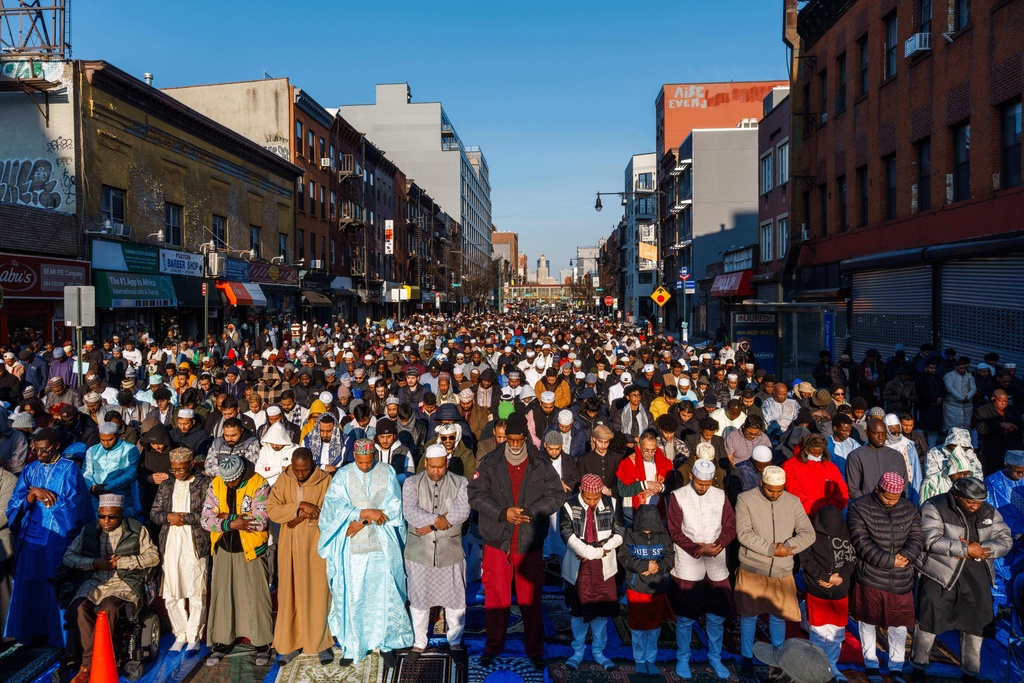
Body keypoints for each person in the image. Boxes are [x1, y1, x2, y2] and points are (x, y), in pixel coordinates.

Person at [467, 412, 563, 671]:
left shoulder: (540, 464)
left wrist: (531, 512)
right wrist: (502, 512)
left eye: (519, 439)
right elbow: (475, 495)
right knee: (496, 597)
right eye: (510, 439)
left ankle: (534, 649)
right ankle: (493, 645)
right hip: (497, 540)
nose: (515, 444)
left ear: (526, 437)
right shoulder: (490, 462)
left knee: (530, 598)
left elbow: (556, 495)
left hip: (529, 541)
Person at [318, 438, 413, 667]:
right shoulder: (343, 475)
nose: (364, 466)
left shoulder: (387, 471)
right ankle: (352, 644)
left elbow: (393, 509)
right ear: (354, 458)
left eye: (369, 462)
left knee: (385, 593)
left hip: (381, 545)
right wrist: (363, 512)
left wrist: (363, 520)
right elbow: (332, 508)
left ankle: (387, 644)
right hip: (352, 548)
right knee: (354, 595)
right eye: (360, 462)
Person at [910, 477, 1012, 683]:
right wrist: (965, 549)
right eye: (970, 501)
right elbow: (930, 539)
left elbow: (1005, 539)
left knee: (976, 624)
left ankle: (971, 672)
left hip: (977, 575)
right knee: (929, 620)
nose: (976, 506)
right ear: (956, 495)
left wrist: (982, 550)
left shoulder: (988, 511)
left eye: (979, 501)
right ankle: (918, 667)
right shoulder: (934, 506)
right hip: (941, 575)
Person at [4, 428, 93, 647]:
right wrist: (33, 495)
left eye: (44, 449)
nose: (39, 453)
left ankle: (56, 635)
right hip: (31, 538)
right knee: (28, 584)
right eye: (36, 448)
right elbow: (14, 504)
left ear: (55, 447)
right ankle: (28, 631)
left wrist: (49, 505)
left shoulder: (69, 470)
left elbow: (75, 508)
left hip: (57, 539)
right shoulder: (31, 469)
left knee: (53, 586)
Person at [62, 493, 159, 683]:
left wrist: (122, 563)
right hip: (95, 579)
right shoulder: (89, 530)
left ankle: (89, 666)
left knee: (108, 610)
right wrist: (93, 563)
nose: (106, 521)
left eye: (111, 517)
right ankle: (92, 662)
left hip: (124, 580)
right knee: (78, 608)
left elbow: (153, 557)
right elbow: (68, 556)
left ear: (121, 513)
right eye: (102, 516)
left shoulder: (136, 529)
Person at [735, 465, 815, 681]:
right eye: (771, 490)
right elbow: (743, 534)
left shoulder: (792, 501)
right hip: (753, 568)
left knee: (778, 617)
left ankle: (779, 660)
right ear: (761, 484)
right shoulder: (745, 500)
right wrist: (772, 549)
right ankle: (747, 659)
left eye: (779, 490)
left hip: (782, 569)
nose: (776, 494)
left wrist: (787, 547)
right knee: (749, 616)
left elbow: (808, 533)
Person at [847, 473, 923, 682]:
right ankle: (871, 664)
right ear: (878, 490)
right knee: (867, 622)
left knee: (898, 625)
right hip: (871, 576)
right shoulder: (859, 507)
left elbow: (917, 537)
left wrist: (906, 557)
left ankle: (896, 666)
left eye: (896, 498)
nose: (892, 502)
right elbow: (860, 542)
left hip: (901, 577)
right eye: (888, 497)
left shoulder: (908, 508)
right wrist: (889, 561)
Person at [200, 454, 274, 667]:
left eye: (231, 480)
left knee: (256, 597)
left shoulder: (259, 484)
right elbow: (205, 519)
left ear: (241, 474)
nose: (228, 484)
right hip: (223, 548)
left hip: (251, 549)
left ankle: (262, 644)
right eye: (225, 480)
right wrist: (231, 521)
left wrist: (223, 515)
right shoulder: (217, 483)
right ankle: (223, 642)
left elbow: (259, 521)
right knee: (224, 596)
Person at [667, 457, 735, 680]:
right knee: (686, 617)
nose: (703, 488)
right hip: (689, 562)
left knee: (716, 615)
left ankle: (715, 657)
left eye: (707, 484)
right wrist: (697, 549)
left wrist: (718, 546)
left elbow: (730, 527)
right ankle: (683, 657)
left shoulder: (720, 495)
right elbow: (675, 531)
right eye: (699, 484)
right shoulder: (678, 496)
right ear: (691, 477)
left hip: (715, 561)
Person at [402, 443, 471, 663]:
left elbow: (462, 511)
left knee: (455, 600)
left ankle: (454, 641)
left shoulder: (461, 483)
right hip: (419, 553)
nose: (436, 471)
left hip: (449, 551)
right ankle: (420, 642)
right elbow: (410, 512)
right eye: (432, 467)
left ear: (446, 464)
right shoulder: (412, 483)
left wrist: (431, 526)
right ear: (425, 464)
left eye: (440, 467)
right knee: (419, 600)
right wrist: (437, 519)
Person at [266, 447, 334, 666]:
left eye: (304, 470)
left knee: (317, 591)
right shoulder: (283, 480)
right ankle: (290, 643)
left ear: (312, 464)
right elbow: (273, 510)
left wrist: (307, 514)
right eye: (296, 470)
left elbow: (333, 510)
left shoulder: (325, 481)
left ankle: (320, 643)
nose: (300, 474)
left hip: (316, 545)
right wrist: (299, 508)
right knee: (290, 593)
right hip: (289, 547)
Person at [559, 473, 624, 671]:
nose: (593, 502)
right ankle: (578, 651)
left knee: (601, 612)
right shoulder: (569, 506)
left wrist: (596, 552)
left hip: (604, 566)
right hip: (579, 567)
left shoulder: (611, 503)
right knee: (578, 612)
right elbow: (566, 534)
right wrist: (589, 551)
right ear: (581, 490)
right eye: (588, 498)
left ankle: (598, 651)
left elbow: (620, 532)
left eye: (596, 498)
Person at [149, 447, 210, 653]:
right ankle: (180, 633)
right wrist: (168, 517)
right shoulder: (166, 485)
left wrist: (184, 518)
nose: (177, 473)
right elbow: (155, 513)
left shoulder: (204, 484)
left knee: (195, 590)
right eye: (174, 469)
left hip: (195, 542)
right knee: (172, 591)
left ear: (191, 465)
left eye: (181, 469)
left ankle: (194, 635)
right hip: (170, 542)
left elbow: (208, 515)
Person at [800, 505, 855, 682]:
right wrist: (824, 577)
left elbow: (851, 559)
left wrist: (840, 578)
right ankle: (816, 666)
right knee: (817, 630)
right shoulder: (810, 537)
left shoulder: (845, 534)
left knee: (837, 632)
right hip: (818, 590)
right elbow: (806, 559)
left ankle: (831, 665)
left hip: (839, 591)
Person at [618, 503, 674, 677]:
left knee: (655, 626)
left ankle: (651, 659)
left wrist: (659, 566)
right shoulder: (630, 535)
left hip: (657, 588)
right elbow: (624, 557)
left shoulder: (664, 535)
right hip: (637, 588)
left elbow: (670, 557)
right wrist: (643, 565)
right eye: (645, 530)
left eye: (651, 530)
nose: (648, 532)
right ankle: (640, 660)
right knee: (638, 626)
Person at [986, 450, 1024, 609]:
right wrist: (1015, 533)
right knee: (1000, 576)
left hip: (1022, 539)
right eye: (1017, 471)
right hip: (1003, 537)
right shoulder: (993, 483)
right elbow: (991, 512)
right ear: (1006, 465)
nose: (1020, 475)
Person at [83, 422, 141, 518]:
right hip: (96, 497)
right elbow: (86, 472)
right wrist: (93, 487)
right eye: (102, 440)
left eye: (110, 439)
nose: (105, 443)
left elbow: (131, 474)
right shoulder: (92, 450)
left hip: (119, 497)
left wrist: (106, 488)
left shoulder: (129, 449)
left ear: (118, 435)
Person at [781, 434, 849, 516]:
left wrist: (831, 508)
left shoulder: (830, 467)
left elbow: (841, 490)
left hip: (829, 515)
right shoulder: (790, 466)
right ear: (805, 449)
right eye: (813, 453)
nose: (816, 456)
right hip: (802, 515)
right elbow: (793, 492)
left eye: (819, 453)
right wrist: (816, 509)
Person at [845, 417, 908, 500]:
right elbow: (853, 489)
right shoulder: (856, 456)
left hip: (894, 507)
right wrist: (867, 505)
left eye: (884, 433)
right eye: (876, 433)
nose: (881, 437)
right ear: (866, 433)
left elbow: (904, 486)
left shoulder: (897, 456)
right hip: (866, 507)